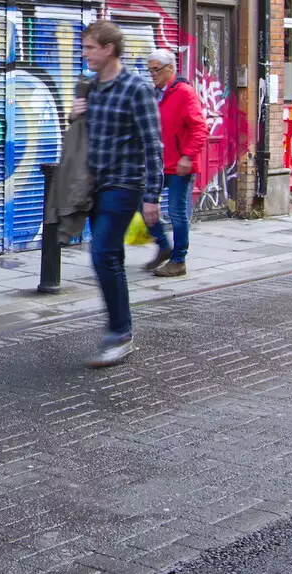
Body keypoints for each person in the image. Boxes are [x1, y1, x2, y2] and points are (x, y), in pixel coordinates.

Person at [70, 21, 162, 368]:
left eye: (90, 47)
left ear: (109, 49)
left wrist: (152, 196)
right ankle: (120, 328)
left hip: (124, 184)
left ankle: (120, 334)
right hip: (94, 183)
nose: (85, 53)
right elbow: (82, 137)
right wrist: (74, 115)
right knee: (111, 258)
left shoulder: (136, 88)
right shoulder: (91, 88)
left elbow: (153, 144)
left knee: (103, 253)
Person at [145, 48, 207, 279]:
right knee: (143, 204)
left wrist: (187, 156)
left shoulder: (184, 93)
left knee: (177, 213)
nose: (152, 74)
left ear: (170, 68)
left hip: (180, 165)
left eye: (156, 69)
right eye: (149, 69)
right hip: (158, 166)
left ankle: (178, 260)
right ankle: (164, 245)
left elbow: (200, 129)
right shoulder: (155, 94)